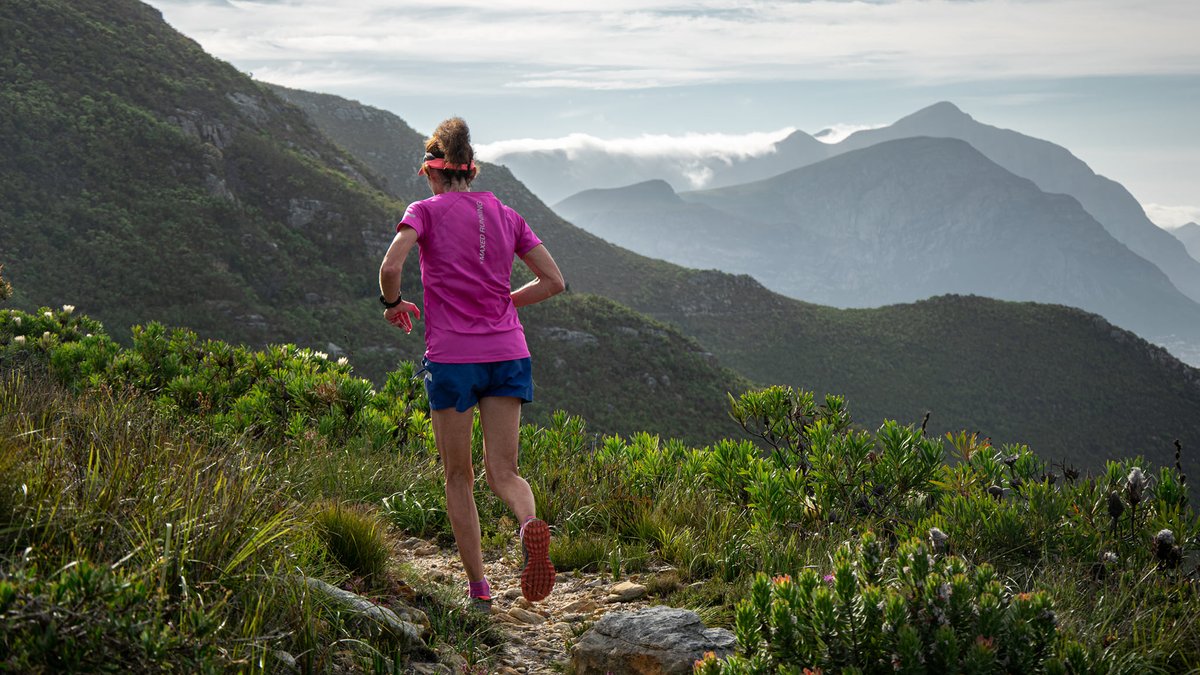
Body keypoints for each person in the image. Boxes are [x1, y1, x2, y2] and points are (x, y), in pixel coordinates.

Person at [378, 117, 565, 608]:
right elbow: (553, 282)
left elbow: (391, 266)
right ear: (472, 170)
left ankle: (479, 589)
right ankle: (528, 524)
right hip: (509, 353)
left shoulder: (424, 211)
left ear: (431, 172)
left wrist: (393, 304)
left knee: (458, 476)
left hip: (454, 359)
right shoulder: (507, 214)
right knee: (504, 471)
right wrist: (505, 303)